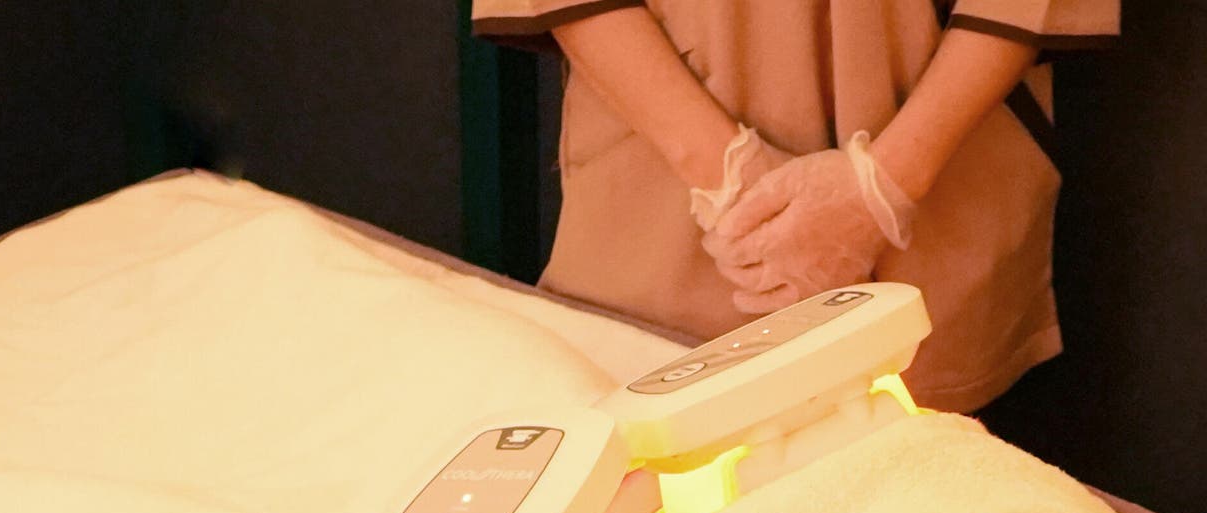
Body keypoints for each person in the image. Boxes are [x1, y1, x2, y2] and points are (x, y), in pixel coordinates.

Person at [469, 1, 1115, 412]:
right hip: (663, 195)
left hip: (938, 183)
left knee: (908, 510)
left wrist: (886, 184)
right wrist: (728, 173)